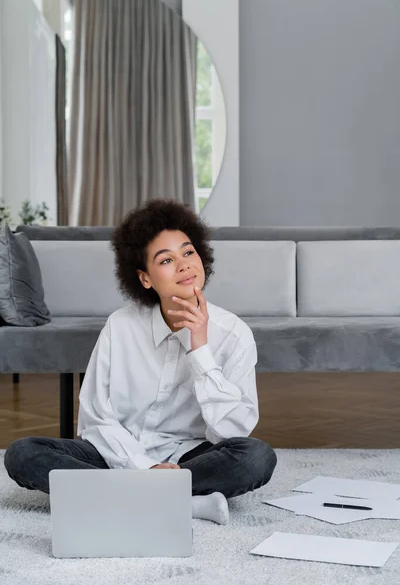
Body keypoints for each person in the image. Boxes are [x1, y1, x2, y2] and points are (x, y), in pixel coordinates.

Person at [4, 198, 277, 525]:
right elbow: (95, 419)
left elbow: (233, 431)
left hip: (189, 458)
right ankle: (182, 502)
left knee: (256, 458)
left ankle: (119, 499)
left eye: (188, 252)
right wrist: (144, 469)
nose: (184, 265)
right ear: (145, 278)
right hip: (119, 455)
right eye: (166, 260)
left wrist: (200, 350)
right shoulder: (119, 327)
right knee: (23, 453)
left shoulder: (234, 335)